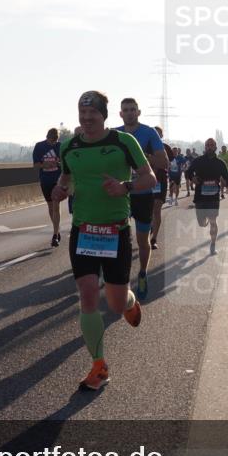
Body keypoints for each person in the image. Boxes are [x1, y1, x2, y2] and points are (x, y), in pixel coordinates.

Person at [51, 91, 154, 390]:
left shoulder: (123, 142)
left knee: (116, 302)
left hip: (115, 231)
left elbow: (150, 178)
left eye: (92, 116)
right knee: (87, 296)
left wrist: (126, 187)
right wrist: (60, 191)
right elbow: (65, 179)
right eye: (82, 117)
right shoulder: (69, 146)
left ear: (104, 116)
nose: (86, 122)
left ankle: (130, 302)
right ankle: (99, 366)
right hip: (83, 230)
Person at [115, 98, 168, 300]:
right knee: (115, 238)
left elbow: (163, 161)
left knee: (142, 239)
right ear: (120, 114)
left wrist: (139, 157)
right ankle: (118, 277)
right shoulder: (115, 134)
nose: (129, 113)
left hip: (143, 195)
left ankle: (143, 273)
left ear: (138, 112)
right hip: (121, 195)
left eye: (132, 110)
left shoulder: (148, 133)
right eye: (125, 110)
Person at [187, 138, 228, 256]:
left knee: (213, 220)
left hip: (213, 197)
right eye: (207, 145)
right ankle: (203, 220)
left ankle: (213, 244)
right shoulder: (198, 161)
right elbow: (188, 172)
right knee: (201, 223)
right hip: (200, 196)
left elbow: (226, 177)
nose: (209, 147)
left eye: (212, 145)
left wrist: (225, 184)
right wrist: (193, 178)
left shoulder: (220, 163)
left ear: (215, 147)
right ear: (205, 147)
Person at [33, 127, 63, 246]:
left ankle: (55, 235)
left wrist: (58, 163)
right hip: (45, 180)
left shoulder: (61, 146)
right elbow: (35, 165)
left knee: (56, 205)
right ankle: (57, 229)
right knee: (51, 207)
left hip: (58, 180)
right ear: (47, 138)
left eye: (54, 141)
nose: (52, 143)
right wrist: (44, 164)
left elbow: (66, 163)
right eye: (51, 141)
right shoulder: (39, 146)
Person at [150, 125, 175, 249]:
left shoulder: (166, 148)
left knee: (157, 209)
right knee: (148, 209)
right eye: (153, 133)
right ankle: (150, 226)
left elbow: (168, 163)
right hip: (147, 182)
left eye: (158, 133)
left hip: (160, 181)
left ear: (161, 135)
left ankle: (154, 238)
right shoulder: (145, 146)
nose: (156, 135)